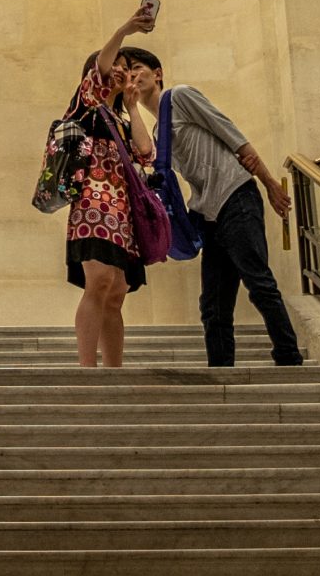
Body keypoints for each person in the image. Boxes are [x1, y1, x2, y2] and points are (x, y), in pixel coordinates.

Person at [117, 47, 304, 367]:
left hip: (236, 197)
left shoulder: (181, 96)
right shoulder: (157, 133)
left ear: (157, 73)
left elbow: (231, 134)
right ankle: (222, 372)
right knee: (213, 305)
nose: (133, 74)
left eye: (138, 68)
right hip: (209, 214)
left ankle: (288, 357)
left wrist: (270, 183)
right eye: (127, 71)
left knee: (258, 281)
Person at [63, 0, 161, 368]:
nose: (121, 73)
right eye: (117, 67)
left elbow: (145, 152)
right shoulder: (88, 106)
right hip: (92, 204)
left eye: (126, 69)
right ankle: (88, 370)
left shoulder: (119, 119)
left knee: (117, 291)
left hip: (123, 210)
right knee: (99, 280)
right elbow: (101, 68)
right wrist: (125, 30)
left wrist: (134, 106)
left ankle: (114, 370)